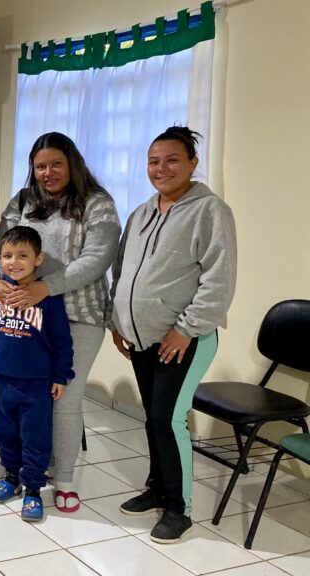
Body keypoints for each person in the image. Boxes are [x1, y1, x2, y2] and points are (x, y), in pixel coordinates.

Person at [111, 127, 236, 544]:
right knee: (154, 418)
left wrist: (185, 329)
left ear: (192, 164)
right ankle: (158, 486)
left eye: (171, 160)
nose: (161, 169)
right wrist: (117, 322)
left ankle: (179, 507)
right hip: (143, 338)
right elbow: (123, 269)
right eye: (153, 161)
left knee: (169, 419)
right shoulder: (142, 212)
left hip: (186, 338)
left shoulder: (210, 211)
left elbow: (218, 282)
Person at [0, 131, 121, 513]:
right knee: (22, 402)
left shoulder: (98, 203)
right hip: (22, 313)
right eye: (40, 166)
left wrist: (47, 287)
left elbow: (99, 257)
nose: (48, 172)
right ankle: (30, 471)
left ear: (72, 163)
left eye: (56, 164)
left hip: (79, 314)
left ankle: (64, 480)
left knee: (63, 399)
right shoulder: (24, 201)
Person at [0, 227, 74, 523]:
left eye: (22, 256)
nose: (13, 262)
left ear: (38, 259)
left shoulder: (48, 299)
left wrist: (60, 375)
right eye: (7, 256)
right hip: (2, 380)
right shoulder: (0, 293)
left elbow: (62, 341)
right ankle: (10, 476)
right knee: (5, 432)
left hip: (36, 383)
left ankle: (33, 488)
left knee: (34, 436)